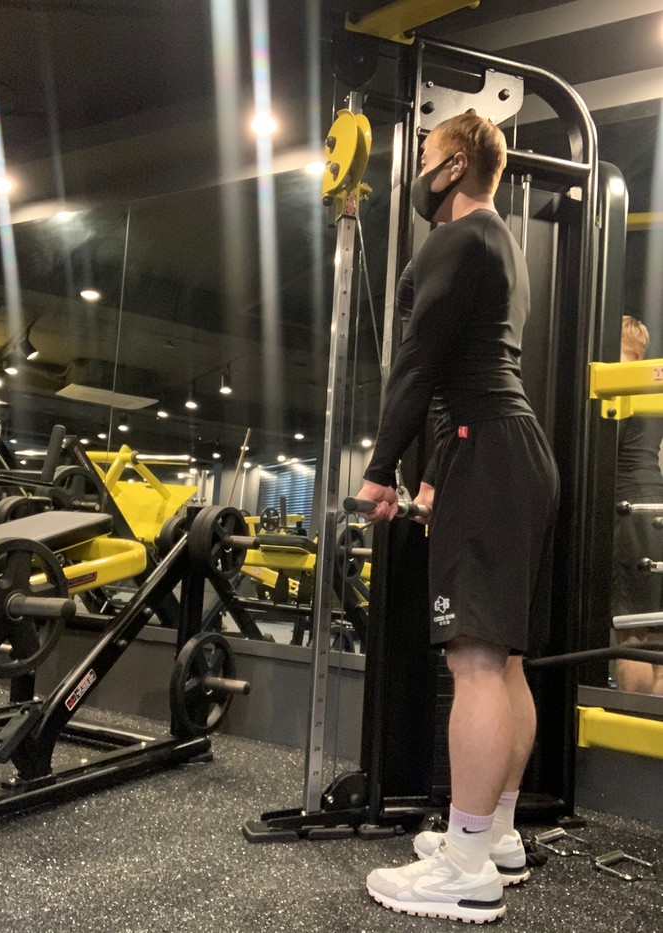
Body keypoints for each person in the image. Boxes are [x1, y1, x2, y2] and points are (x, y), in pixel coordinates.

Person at [355, 113, 559, 923]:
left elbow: (419, 363)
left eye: (425, 152)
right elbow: (471, 373)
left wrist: (380, 469)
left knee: (474, 659)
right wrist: (436, 478)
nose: (417, 165)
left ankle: (466, 867)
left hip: (488, 447)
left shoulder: (456, 237)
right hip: (509, 449)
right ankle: (494, 835)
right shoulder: (502, 244)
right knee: (503, 661)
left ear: (455, 164)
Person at [611, 315, 663, 696]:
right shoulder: (652, 386)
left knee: (631, 633)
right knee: (657, 636)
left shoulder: (619, 383)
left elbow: (605, 450)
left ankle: (629, 717)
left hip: (629, 510)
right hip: (657, 504)